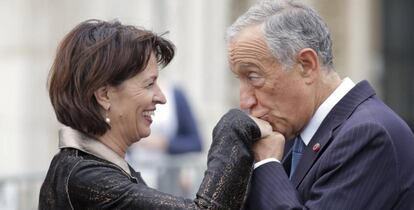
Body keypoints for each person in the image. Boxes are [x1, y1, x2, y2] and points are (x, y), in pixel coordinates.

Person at [38, 19, 275, 209]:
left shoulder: (89, 167)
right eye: (149, 84)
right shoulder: (85, 178)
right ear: (104, 95)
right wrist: (237, 125)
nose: (161, 97)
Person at [226, 0, 414, 209]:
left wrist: (267, 163)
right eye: (239, 79)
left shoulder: (369, 134)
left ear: (306, 65)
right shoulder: (290, 132)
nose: (245, 101)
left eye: (253, 76)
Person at [127, 80, 203, 197]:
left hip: (167, 180)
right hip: (133, 178)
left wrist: (164, 143)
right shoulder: (127, 95)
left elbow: (196, 142)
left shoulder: (175, 95)